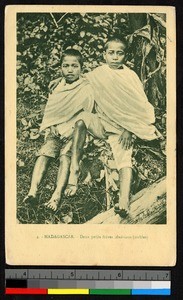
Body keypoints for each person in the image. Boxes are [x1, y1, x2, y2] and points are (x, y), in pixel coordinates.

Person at [66, 36, 163, 217]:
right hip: (103, 123)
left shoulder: (130, 76)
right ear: (104, 54)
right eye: (111, 53)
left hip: (122, 129)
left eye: (120, 53)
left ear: (125, 56)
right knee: (80, 121)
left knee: (123, 158)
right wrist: (62, 82)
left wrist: (129, 130)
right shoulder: (99, 73)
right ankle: (75, 170)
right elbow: (80, 81)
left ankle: (124, 201)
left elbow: (140, 105)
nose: (115, 57)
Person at [23, 49, 98, 211]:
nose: (70, 70)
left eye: (74, 66)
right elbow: (52, 111)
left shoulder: (87, 87)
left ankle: (56, 196)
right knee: (45, 153)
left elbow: (86, 115)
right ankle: (32, 192)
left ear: (81, 68)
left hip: (74, 133)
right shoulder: (58, 87)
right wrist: (51, 126)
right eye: (66, 66)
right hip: (56, 131)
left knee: (65, 157)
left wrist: (73, 132)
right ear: (61, 68)